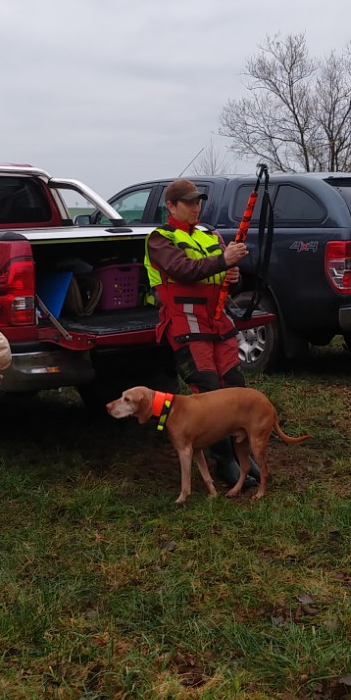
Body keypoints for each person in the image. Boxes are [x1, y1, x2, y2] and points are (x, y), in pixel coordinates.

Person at [144, 178, 259, 487]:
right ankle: (224, 464)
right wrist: (224, 261)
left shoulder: (211, 234)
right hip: (185, 322)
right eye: (190, 202)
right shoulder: (159, 239)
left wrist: (232, 275)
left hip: (217, 319)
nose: (197, 207)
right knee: (207, 391)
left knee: (234, 387)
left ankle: (244, 459)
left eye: (198, 202)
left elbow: (225, 275)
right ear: (171, 206)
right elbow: (183, 270)